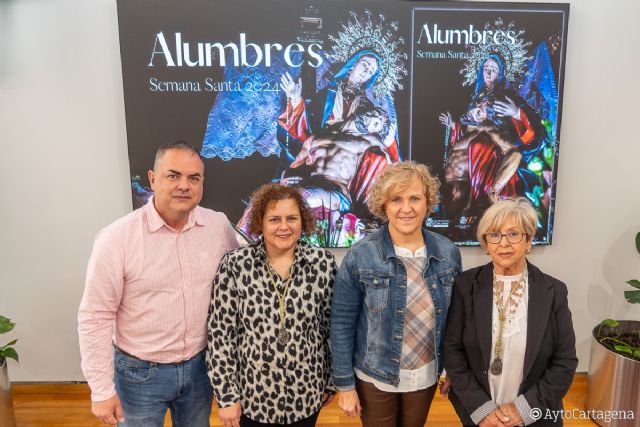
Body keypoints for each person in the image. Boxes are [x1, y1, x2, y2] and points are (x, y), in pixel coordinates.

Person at [78, 141, 239, 426]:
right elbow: (95, 316)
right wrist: (101, 389)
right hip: (139, 374)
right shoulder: (117, 238)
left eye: (194, 178)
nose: (184, 186)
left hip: (201, 369)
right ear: (153, 179)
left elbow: (247, 274)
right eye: (173, 175)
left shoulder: (219, 227)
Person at [331, 161, 462, 427]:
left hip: (425, 375)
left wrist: (453, 368)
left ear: (427, 202)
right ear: (384, 205)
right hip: (375, 375)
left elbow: (456, 320)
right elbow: (342, 322)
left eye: (415, 198)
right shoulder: (361, 254)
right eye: (396, 199)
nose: (406, 208)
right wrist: (344, 385)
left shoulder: (448, 253)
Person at [207, 183, 337, 427]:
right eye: (274, 219)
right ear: (260, 222)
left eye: (292, 218)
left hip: (307, 392)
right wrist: (226, 396)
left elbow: (330, 329)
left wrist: (330, 381)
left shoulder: (323, 264)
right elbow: (220, 335)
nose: (284, 226)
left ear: (303, 221)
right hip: (253, 398)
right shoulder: (236, 265)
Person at [443, 198, 577, 426]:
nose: (503, 243)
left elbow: (564, 362)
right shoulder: (466, 285)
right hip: (480, 413)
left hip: (536, 414)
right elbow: (453, 351)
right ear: (486, 243)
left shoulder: (554, 291)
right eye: (494, 235)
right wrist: (482, 409)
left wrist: (523, 410)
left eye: (514, 234)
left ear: (528, 240)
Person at [279, 50, 401, 208]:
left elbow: (390, 160)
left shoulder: (367, 109)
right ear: (352, 65)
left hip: (339, 180)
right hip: (317, 161)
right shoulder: (326, 96)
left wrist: (390, 141)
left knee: (304, 198)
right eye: (364, 65)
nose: (366, 72)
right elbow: (305, 130)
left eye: (371, 71)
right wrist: (295, 99)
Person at [440, 54, 547, 211]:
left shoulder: (508, 95)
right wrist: (454, 126)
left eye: (493, 70)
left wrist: (516, 113)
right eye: (486, 69)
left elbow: (531, 126)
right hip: (474, 153)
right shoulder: (476, 98)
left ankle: (494, 192)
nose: (489, 73)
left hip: (495, 147)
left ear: (501, 73)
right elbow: (468, 132)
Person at [289, 103, 391, 214]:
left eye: (377, 123)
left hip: (335, 194)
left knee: (303, 198)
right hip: (310, 185)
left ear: (375, 132)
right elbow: (294, 166)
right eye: (374, 114)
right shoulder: (318, 136)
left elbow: (392, 165)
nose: (374, 118)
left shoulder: (367, 142)